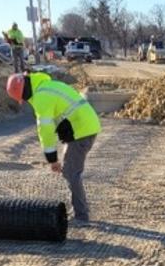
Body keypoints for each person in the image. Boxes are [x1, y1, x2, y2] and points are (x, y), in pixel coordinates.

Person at [6, 72, 101, 223]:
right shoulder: (47, 86)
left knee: (71, 173)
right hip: (83, 126)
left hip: (82, 130)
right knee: (69, 171)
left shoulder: (41, 98)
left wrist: (52, 159)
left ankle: (82, 215)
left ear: (23, 93)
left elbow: (46, 130)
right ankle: (79, 209)